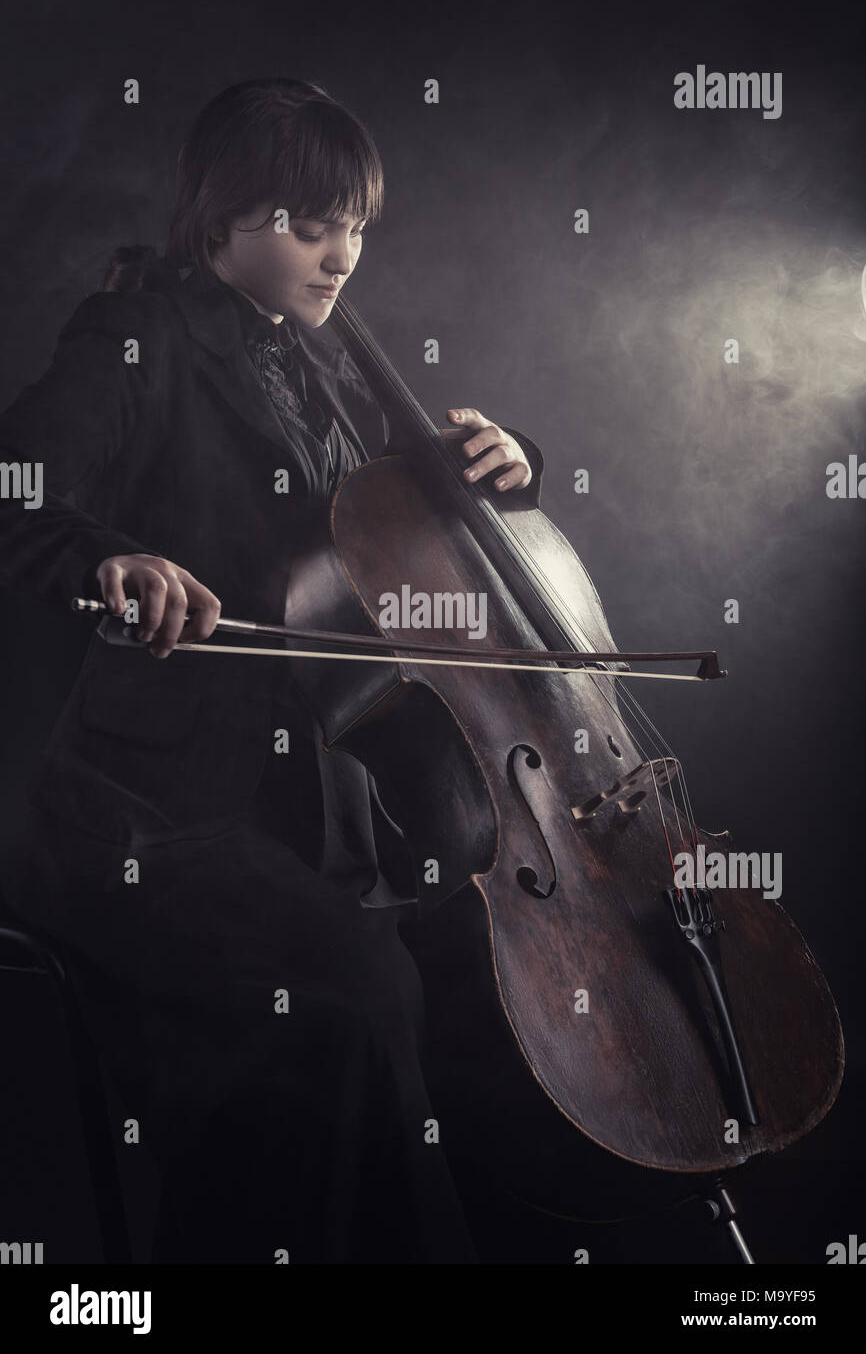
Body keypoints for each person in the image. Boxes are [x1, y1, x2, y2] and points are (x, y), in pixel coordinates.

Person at [0, 76, 543, 1264]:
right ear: (217, 220)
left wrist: (507, 464)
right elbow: (16, 488)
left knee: (465, 988)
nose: (339, 254)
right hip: (140, 810)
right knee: (354, 993)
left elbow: (409, 539)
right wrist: (113, 559)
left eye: (353, 225)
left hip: (310, 805)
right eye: (306, 223)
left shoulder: (328, 369)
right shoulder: (130, 334)